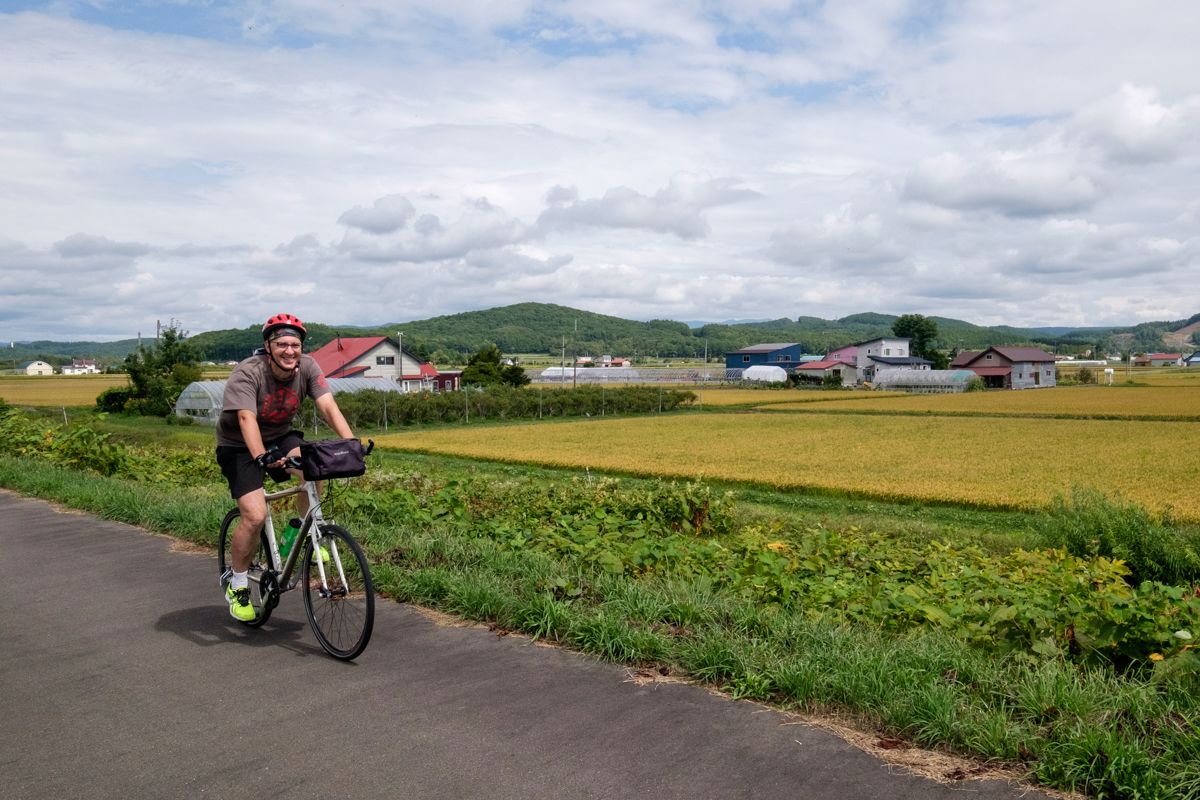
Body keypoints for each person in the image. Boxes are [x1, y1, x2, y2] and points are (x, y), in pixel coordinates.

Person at [215, 313, 354, 621]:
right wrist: (261, 456)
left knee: (313, 466)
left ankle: (304, 532)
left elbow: (328, 405)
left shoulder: (308, 367)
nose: (289, 351)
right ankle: (237, 584)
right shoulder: (247, 372)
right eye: (282, 345)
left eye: (295, 344)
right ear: (268, 346)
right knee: (255, 514)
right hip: (239, 444)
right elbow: (245, 419)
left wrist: (351, 443)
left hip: (280, 435)